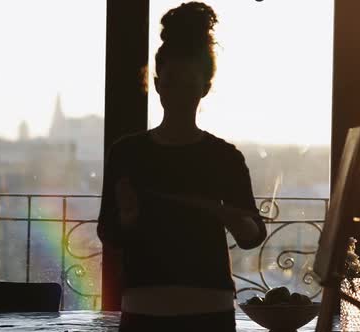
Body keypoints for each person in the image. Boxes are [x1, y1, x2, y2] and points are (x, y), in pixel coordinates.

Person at [96, 2, 267, 331]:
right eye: (173, 81)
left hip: (150, 306)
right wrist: (232, 218)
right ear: (158, 84)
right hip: (200, 307)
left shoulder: (128, 152)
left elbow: (252, 234)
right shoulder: (222, 156)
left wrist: (233, 218)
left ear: (204, 88)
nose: (179, 92)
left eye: (188, 83)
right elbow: (252, 234)